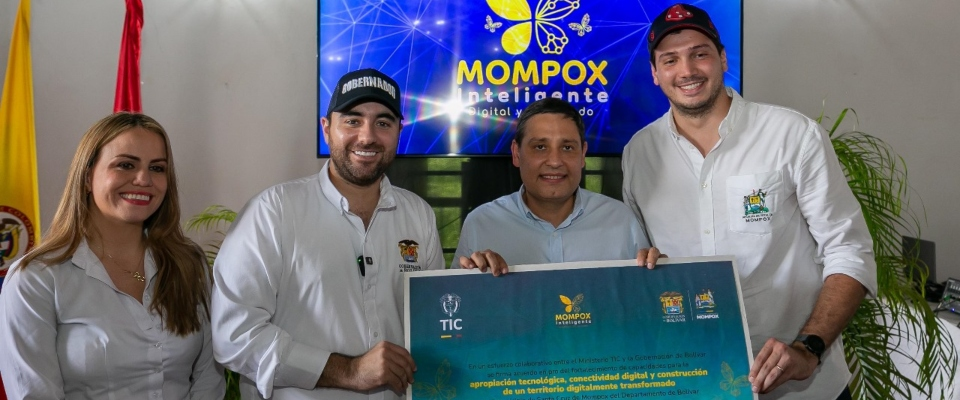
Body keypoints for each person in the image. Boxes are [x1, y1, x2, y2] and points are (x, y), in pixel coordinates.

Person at [621, 4, 877, 400]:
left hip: (804, 390)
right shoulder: (638, 153)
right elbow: (642, 259)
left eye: (699, 53)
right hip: (698, 383)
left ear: (723, 59)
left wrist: (808, 348)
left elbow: (849, 250)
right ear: (655, 73)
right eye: (670, 59)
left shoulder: (793, 135)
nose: (687, 70)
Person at [210, 68, 444, 399]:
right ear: (326, 128)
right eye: (352, 120)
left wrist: (479, 284)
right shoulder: (273, 211)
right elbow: (235, 335)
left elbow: (435, 323)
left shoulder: (418, 214)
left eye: (383, 122)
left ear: (398, 132)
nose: (367, 136)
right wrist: (349, 371)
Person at [0, 113, 225, 399]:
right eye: (126, 165)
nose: (144, 179)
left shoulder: (188, 264)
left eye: (157, 168)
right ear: (87, 177)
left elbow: (208, 376)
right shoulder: (36, 278)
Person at [455, 98, 661, 274]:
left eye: (567, 147)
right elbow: (455, 302)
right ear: (516, 153)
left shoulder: (621, 220)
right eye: (540, 147)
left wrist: (661, 274)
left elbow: (645, 295)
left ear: (583, 154)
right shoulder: (481, 224)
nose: (554, 161)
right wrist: (473, 280)